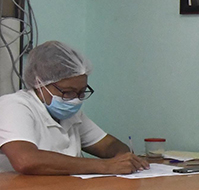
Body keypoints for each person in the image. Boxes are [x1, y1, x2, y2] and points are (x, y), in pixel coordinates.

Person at [0, 41, 148, 175]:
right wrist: (105, 166)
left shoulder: (70, 114)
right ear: (40, 84)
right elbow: (25, 160)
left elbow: (109, 145)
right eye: (67, 92)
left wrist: (123, 158)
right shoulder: (15, 105)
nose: (75, 99)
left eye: (81, 92)